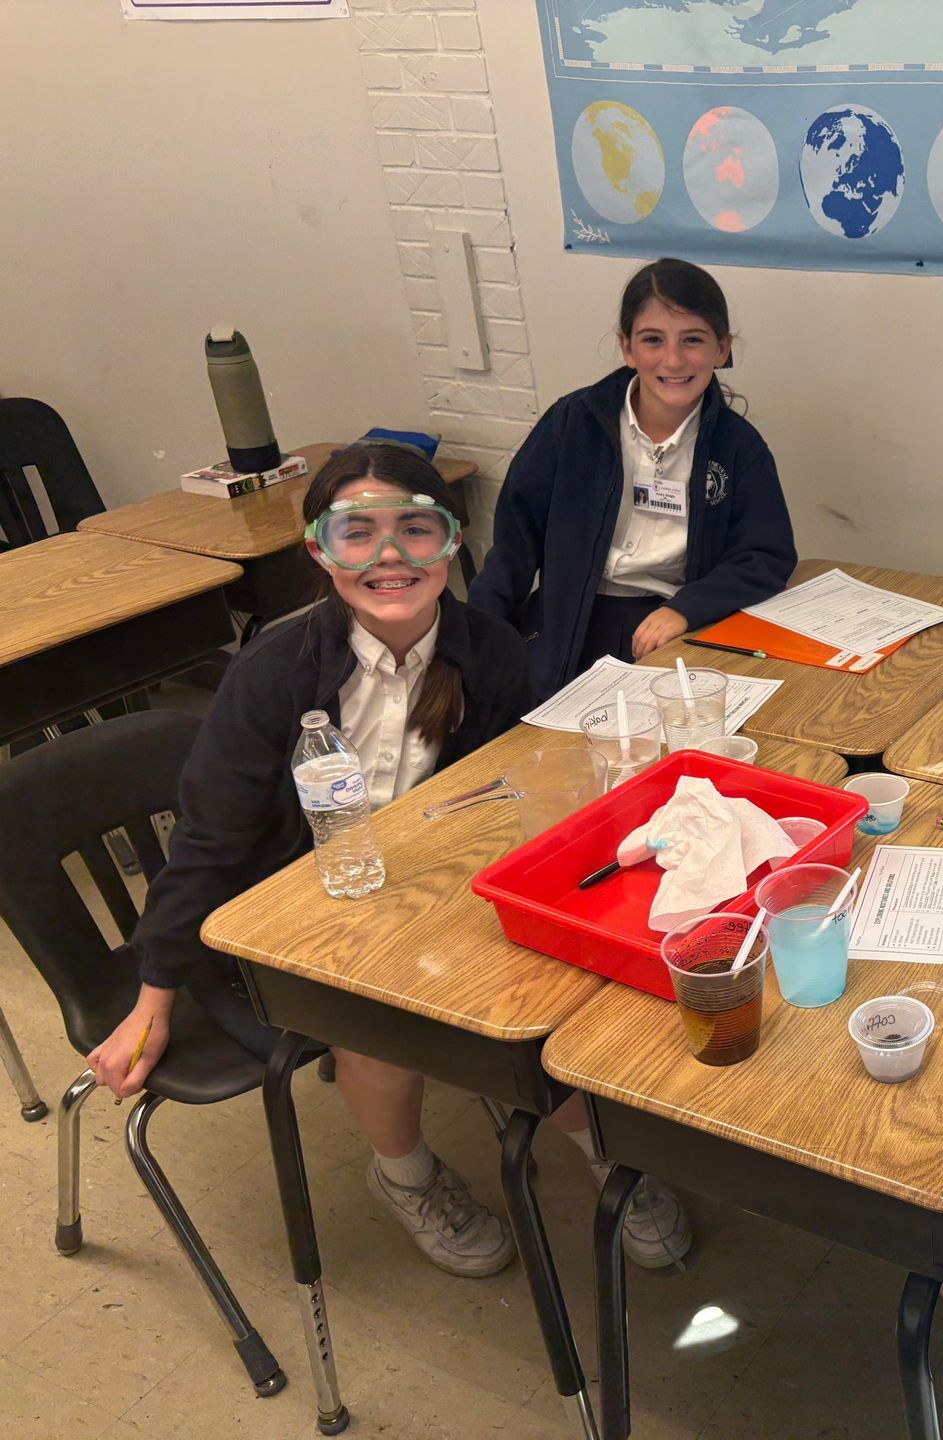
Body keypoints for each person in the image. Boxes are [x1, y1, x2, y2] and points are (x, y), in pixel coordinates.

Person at [86, 444, 691, 1276]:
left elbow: (501, 792)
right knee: (372, 1028)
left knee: (555, 987)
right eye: (357, 533)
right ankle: (406, 1176)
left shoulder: (490, 651)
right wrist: (154, 996)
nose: (390, 555)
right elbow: (209, 843)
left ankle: (607, 1155)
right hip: (299, 910)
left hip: (431, 886)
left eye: (415, 528)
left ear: (451, 542)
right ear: (319, 551)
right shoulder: (273, 675)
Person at [471, 257, 797, 700]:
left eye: (693, 340)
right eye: (652, 340)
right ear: (627, 348)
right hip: (570, 620)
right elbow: (514, 544)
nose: (673, 360)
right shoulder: (572, 424)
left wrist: (687, 609)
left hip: (674, 624)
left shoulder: (738, 447)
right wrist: (478, 642)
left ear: (722, 349)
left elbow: (766, 557)